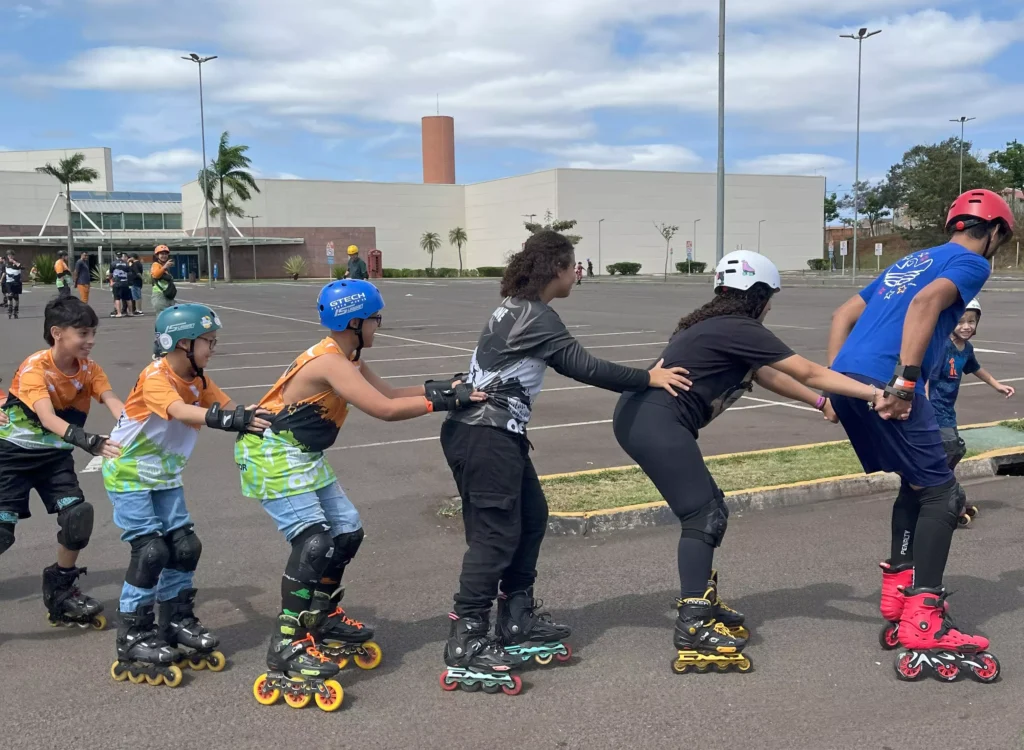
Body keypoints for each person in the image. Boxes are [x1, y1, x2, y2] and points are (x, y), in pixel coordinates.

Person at [612, 250, 890, 675]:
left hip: (643, 419)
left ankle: (700, 599)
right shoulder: (738, 327)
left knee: (710, 506)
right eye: (770, 297)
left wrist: (820, 403)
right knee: (702, 515)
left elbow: (767, 374)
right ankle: (693, 624)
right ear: (757, 295)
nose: (770, 306)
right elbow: (808, 370)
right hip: (655, 424)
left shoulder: (715, 325)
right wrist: (873, 394)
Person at [437, 230, 691, 694]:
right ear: (556, 268)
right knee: (494, 538)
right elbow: (585, 367)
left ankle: (515, 618)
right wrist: (648, 378)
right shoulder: (535, 315)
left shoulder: (517, 306)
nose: (578, 272)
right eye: (574, 265)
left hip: (495, 434)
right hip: (485, 436)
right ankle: (467, 637)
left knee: (532, 518)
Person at [241, 279, 483, 711]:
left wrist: (447, 387)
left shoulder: (346, 355)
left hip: (302, 454)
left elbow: (389, 393)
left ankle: (324, 616)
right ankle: (287, 643)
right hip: (272, 455)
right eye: (375, 319)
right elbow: (385, 411)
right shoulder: (330, 362)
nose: (378, 325)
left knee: (347, 533)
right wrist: (447, 403)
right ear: (353, 321)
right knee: (314, 542)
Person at [828, 188, 1013, 682]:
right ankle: (925, 619)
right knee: (943, 496)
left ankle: (900, 593)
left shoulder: (915, 258)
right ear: (994, 231)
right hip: (889, 380)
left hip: (850, 379)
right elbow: (928, 303)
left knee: (917, 483)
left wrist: (833, 387)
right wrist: (907, 382)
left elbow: (843, 314)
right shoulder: (972, 263)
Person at [103, 303, 271, 687]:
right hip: (129, 474)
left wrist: (272, 418)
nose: (212, 348)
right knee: (150, 551)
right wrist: (227, 420)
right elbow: (179, 411)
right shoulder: (156, 377)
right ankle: (132, 634)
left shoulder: (199, 380)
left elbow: (232, 409)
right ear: (182, 344)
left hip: (163, 476)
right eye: (207, 341)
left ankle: (175, 620)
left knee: (185, 547)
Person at [0, 296, 124, 631]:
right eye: (83, 333)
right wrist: (91, 442)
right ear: (57, 333)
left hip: (53, 457)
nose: (91, 340)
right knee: (2, 533)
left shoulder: (90, 369)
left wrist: (139, 427)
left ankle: (61, 589)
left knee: (77, 517)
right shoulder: (34, 368)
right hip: (11, 454)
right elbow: (47, 417)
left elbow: (114, 403)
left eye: (93, 332)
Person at [926, 298, 1015, 526]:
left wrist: (996, 384)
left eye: (972, 321)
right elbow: (927, 377)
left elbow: (975, 368)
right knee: (951, 451)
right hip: (934, 410)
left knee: (949, 455)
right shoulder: (943, 346)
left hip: (947, 412)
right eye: (961, 321)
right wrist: (923, 406)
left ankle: (941, 494)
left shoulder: (966, 349)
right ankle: (942, 497)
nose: (967, 326)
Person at [151, 245, 176, 315]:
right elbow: (156, 275)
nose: (164, 256)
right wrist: (165, 267)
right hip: (159, 295)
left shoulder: (164, 267)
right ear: (157, 255)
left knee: (171, 316)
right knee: (162, 317)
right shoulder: (155, 264)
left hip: (167, 295)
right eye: (162, 254)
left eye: (166, 254)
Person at [110, 252, 132, 318]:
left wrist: (111, 280)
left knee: (117, 298)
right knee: (128, 298)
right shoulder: (126, 263)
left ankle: (119, 313)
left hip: (117, 283)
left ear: (116, 256)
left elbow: (111, 273)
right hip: (125, 282)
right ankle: (130, 312)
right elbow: (129, 273)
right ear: (122, 256)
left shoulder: (113, 263)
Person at [4, 252, 24, 319]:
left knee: (16, 297)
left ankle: (15, 311)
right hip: (9, 282)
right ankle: (9, 310)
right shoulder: (6, 263)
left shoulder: (17, 262)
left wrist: (14, 261)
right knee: (9, 296)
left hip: (16, 282)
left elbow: (21, 266)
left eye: (11, 255)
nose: (10, 256)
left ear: (13, 256)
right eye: (8, 255)